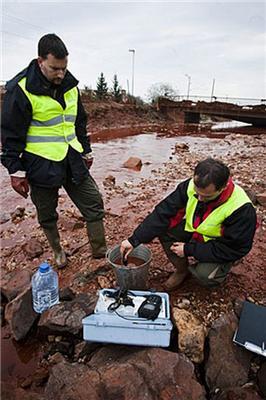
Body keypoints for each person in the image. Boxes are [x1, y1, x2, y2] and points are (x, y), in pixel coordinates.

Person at [1, 33, 107, 268]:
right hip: (40, 163)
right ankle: (58, 252)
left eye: (64, 67)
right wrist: (15, 170)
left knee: (93, 203)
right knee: (47, 213)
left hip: (71, 157)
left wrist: (86, 150)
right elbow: (10, 133)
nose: (61, 73)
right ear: (40, 61)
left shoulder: (71, 86)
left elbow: (79, 122)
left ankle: (100, 254)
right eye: (54, 68)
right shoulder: (21, 89)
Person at [120, 158, 257, 289]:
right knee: (164, 230)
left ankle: (223, 265)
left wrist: (188, 249)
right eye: (197, 194)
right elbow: (164, 213)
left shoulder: (242, 209)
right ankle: (182, 271)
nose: (200, 198)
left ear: (223, 187)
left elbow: (235, 248)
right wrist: (134, 240)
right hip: (199, 232)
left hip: (222, 243)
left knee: (204, 275)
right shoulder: (191, 186)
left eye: (207, 196)